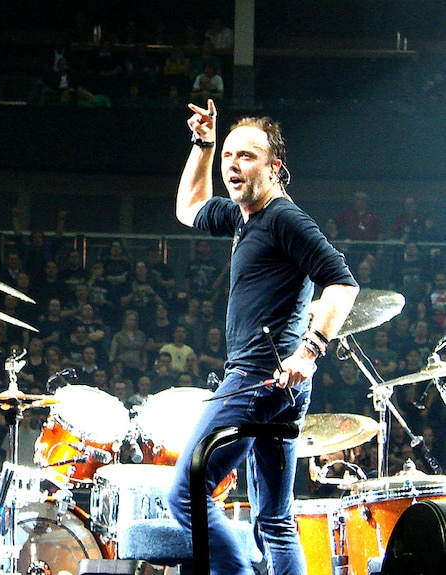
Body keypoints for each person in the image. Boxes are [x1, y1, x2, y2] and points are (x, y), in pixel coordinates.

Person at [170, 98, 359, 575]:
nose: (233, 165)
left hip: (261, 377)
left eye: (246, 156)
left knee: (186, 492)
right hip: (280, 385)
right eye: (229, 156)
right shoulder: (243, 216)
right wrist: (203, 144)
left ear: (274, 168)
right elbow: (190, 207)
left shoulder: (283, 219)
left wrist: (311, 349)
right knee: (274, 519)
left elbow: (343, 282)